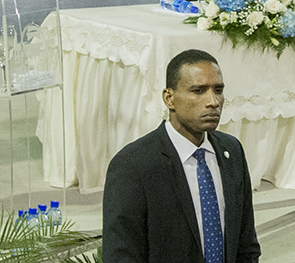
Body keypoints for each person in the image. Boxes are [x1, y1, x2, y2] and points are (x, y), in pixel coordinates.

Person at [102, 49, 260, 263]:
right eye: (198, 91)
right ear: (169, 98)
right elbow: (122, 255)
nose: (213, 101)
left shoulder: (232, 151)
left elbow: (246, 244)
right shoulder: (134, 165)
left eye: (218, 90)